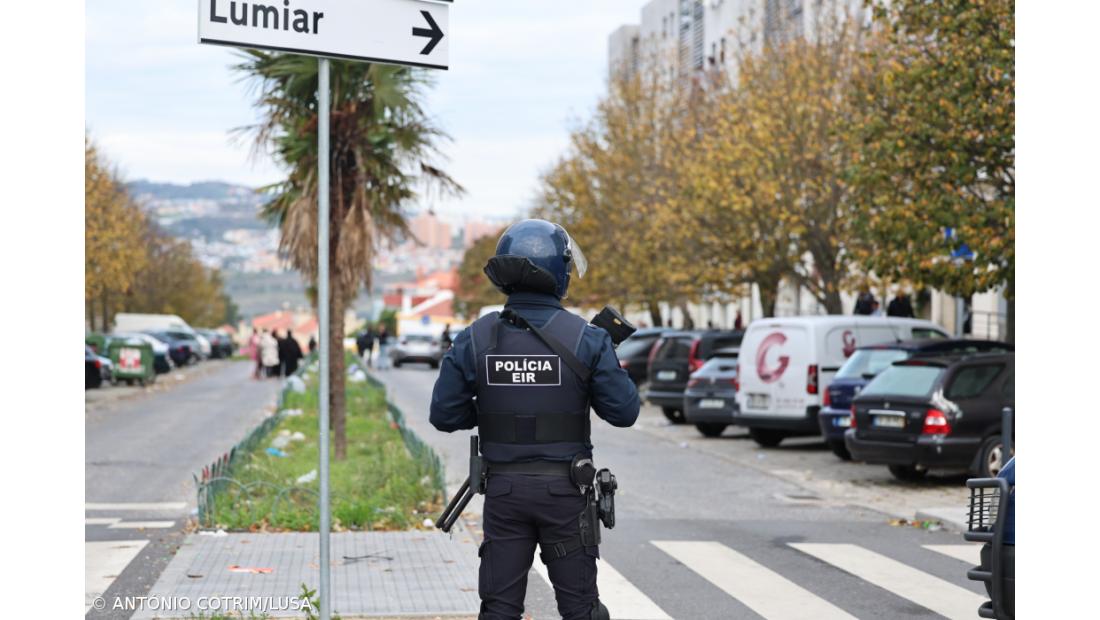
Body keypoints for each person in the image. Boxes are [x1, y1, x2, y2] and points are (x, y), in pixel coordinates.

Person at [430, 219, 639, 620]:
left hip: (504, 494)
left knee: (499, 609)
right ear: (559, 272)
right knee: (582, 610)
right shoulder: (587, 338)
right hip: (566, 492)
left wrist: (493, 407)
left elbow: (444, 415)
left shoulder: (476, 336)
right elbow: (624, 412)